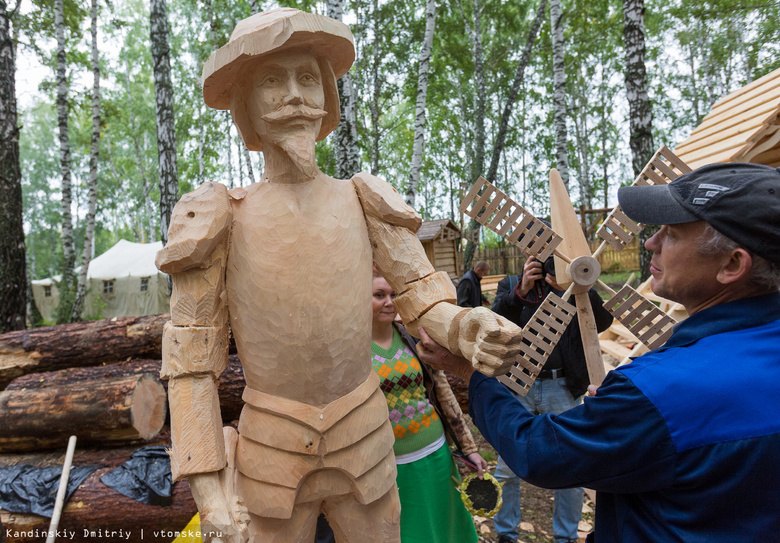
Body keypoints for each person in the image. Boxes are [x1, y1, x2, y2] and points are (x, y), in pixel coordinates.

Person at [156, 8, 522, 543]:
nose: (294, 95)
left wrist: (464, 326)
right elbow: (191, 360)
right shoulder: (220, 215)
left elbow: (420, 292)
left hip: (367, 437)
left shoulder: (362, 197)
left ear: (328, 95)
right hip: (269, 452)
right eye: (272, 81)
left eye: (308, 78)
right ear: (245, 105)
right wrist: (209, 492)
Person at [416, 162, 780, 542]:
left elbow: (538, 452)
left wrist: (472, 374)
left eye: (671, 233)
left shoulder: (658, 391)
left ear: (733, 264)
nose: (651, 242)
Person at [490, 257, 612, 543]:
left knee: (569, 466)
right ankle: (506, 533)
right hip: (518, 385)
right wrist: (519, 291)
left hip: (562, 386)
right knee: (506, 467)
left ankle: (565, 537)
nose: (544, 263)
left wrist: (581, 288)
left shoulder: (572, 285)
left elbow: (603, 322)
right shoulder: (510, 285)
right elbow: (494, 325)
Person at [372, 271, 487, 543]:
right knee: (412, 533)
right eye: (379, 296)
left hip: (436, 453)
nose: (389, 302)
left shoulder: (411, 338)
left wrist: (468, 448)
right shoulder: (353, 352)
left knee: (448, 527)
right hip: (392, 467)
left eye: (393, 295)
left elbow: (444, 394)